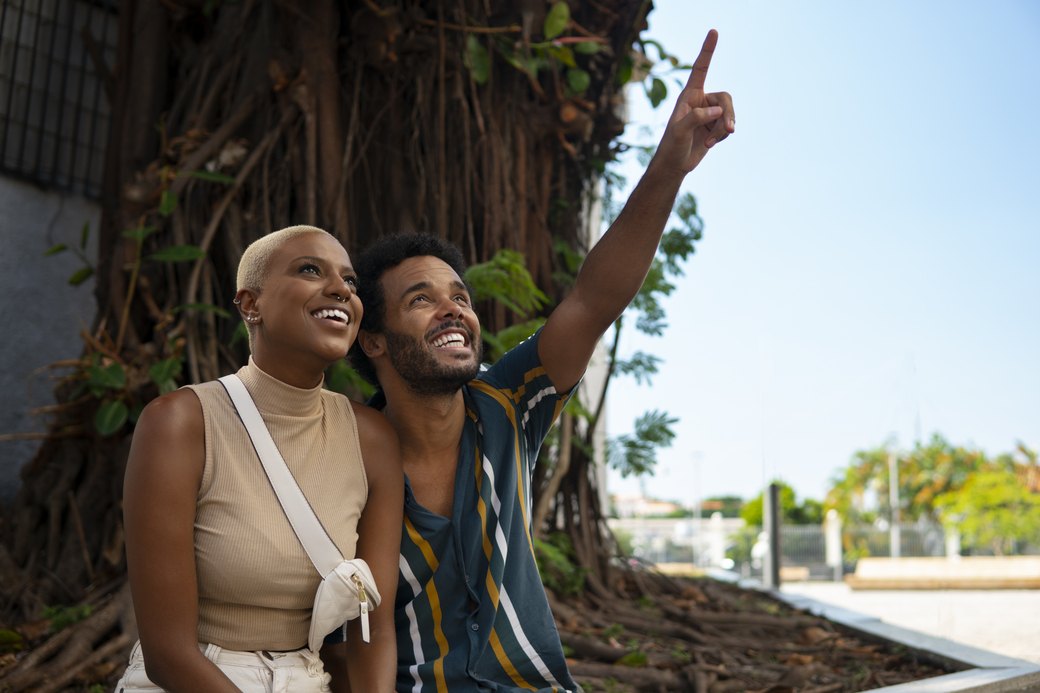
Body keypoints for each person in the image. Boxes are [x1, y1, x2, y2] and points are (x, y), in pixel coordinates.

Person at [337, 29, 735, 692]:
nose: (454, 309)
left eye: (459, 296)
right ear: (373, 339)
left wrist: (669, 164)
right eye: (421, 299)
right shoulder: (343, 457)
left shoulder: (508, 405)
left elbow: (592, 299)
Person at [116, 225, 403, 692]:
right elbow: (167, 654)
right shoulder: (180, 424)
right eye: (310, 270)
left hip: (307, 679)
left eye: (350, 282)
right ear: (251, 304)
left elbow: (374, 628)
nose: (340, 290)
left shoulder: (372, 439)